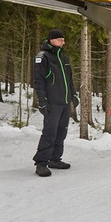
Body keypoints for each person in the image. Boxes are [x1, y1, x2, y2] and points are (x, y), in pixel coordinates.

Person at [32, 29, 79, 177]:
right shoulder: (43, 57)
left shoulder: (63, 57)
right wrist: (42, 101)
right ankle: (41, 163)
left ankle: (55, 159)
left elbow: (69, 79)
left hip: (64, 102)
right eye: (60, 39)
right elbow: (38, 81)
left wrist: (73, 95)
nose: (63, 42)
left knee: (61, 132)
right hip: (52, 102)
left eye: (63, 40)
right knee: (49, 132)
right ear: (51, 40)